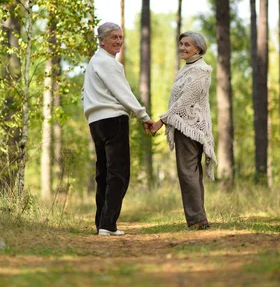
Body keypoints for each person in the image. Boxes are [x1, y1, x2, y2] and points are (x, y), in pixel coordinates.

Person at [83, 22, 153, 236]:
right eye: (114, 37)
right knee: (119, 174)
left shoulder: (94, 62)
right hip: (113, 121)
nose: (119, 41)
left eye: (121, 37)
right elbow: (123, 92)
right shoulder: (108, 63)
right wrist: (143, 115)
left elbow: (85, 93)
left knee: (104, 173)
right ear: (101, 40)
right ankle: (107, 224)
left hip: (96, 123)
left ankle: (101, 223)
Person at [150, 32, 217, 229]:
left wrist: (161, 120)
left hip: (189, 128)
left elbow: (184, 101)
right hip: (186, 126)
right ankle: (199, 217)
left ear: (198, 47)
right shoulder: (189, 69)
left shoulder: (200, 71)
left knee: (187, 172)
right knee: (192, 173)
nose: (183, 48)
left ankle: (198, 219)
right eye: (181, 44)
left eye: (187, 44)